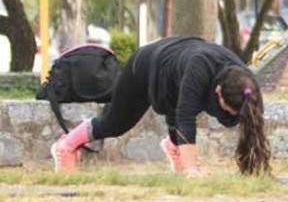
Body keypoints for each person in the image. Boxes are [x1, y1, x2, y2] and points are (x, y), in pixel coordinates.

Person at [50, 36, 271, 176]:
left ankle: (176, 150)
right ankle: (66, 146)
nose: (227, 116)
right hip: (146, 65)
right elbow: (185, 117)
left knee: (180, 101)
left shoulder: (248, 90)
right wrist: (192, 171)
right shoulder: (199, 68)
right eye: (225, 109)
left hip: (174, 73)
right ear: (217, 91)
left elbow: (254, 127)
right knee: (114, 124)